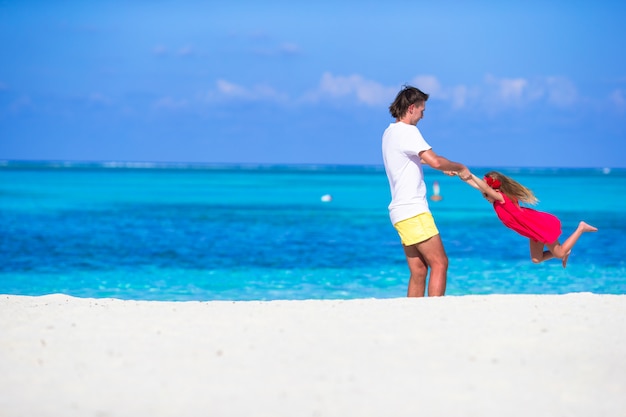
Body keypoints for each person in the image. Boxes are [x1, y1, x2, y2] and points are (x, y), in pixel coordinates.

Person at [382, 85, 471, 297]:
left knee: (419, 270)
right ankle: (433, 314)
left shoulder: (390, 133)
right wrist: (460, 167)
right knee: (440, 263)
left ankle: (413, 317)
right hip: (414, 210)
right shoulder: (409, 131)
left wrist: (443, 167)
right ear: (411, 108)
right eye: (422, 110)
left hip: (398, 212)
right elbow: (435, 161)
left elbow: (413, 158)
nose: (423, 116)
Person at [460, 171, 598, 267]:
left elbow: (483, 187)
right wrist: (460, 174)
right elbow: (479, 187)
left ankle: (581, 228)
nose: (484, 195)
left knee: (559, 253)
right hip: (531, 231)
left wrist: (470, 174)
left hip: (538, 225)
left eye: (486, 192)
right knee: (536, 259)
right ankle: (565, 250)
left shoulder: (501, 197)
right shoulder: (497, 199)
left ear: (494, 189)